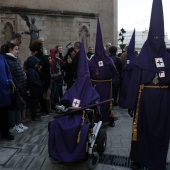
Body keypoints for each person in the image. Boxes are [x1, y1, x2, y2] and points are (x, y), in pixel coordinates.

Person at [126, 0, 170, 169]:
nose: (157, 41)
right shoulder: (141, 59)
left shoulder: (168, 58)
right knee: (142, 131)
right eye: (155, 37)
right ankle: (140, 160)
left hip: (164, 102)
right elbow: (134, 83)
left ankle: (158, 161)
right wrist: (131, 103)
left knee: (161, 132)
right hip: (144, 100)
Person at [88, 19, 119, 127]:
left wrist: (114, 83)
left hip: (107, 85)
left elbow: (115, 72)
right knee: (96, 103)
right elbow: (87, 73)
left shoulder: (108, 60)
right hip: (95, 86)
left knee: (107, 103)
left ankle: (109, 119)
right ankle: (96, 119)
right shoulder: (91, 60)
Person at [3, 42, 28, 133]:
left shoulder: (15, 59)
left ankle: (18, 123)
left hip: (20, 86)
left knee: (18, 106)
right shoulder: (8, 60)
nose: (17, 51)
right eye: (16, 49)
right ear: (10, 50)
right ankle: (13, 125)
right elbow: (12, 75)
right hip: (15, 87)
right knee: (13, 107)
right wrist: (17, 86)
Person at [30, 40, 51, 117]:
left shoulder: (38, 58)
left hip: (43, 79)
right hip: (46, 79)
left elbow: (39, 69)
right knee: (43, 96)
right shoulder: (44, 56)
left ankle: (44, 111)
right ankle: (45, 110)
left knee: (40, 96)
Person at [119, 29, 137, 109]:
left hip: (127, 77)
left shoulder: (123, 56)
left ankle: (124, 103)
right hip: (130, 77)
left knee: (125, 90)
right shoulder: (135, 58)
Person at [0, 53, 14, 140]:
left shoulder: (2, 57)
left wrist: (9, 81)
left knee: (4, 114)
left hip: (3, 90)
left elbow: (8, 71)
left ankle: (5, 132)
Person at [26, 55, 43, 121]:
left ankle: (35, 115)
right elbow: (33, 81)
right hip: (34, 89)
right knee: (34, 103)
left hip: (35, 89)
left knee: (35, 102)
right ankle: (34, 115)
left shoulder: (33, 70)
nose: (36, 65)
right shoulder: (31, 71)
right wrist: (40, 84)